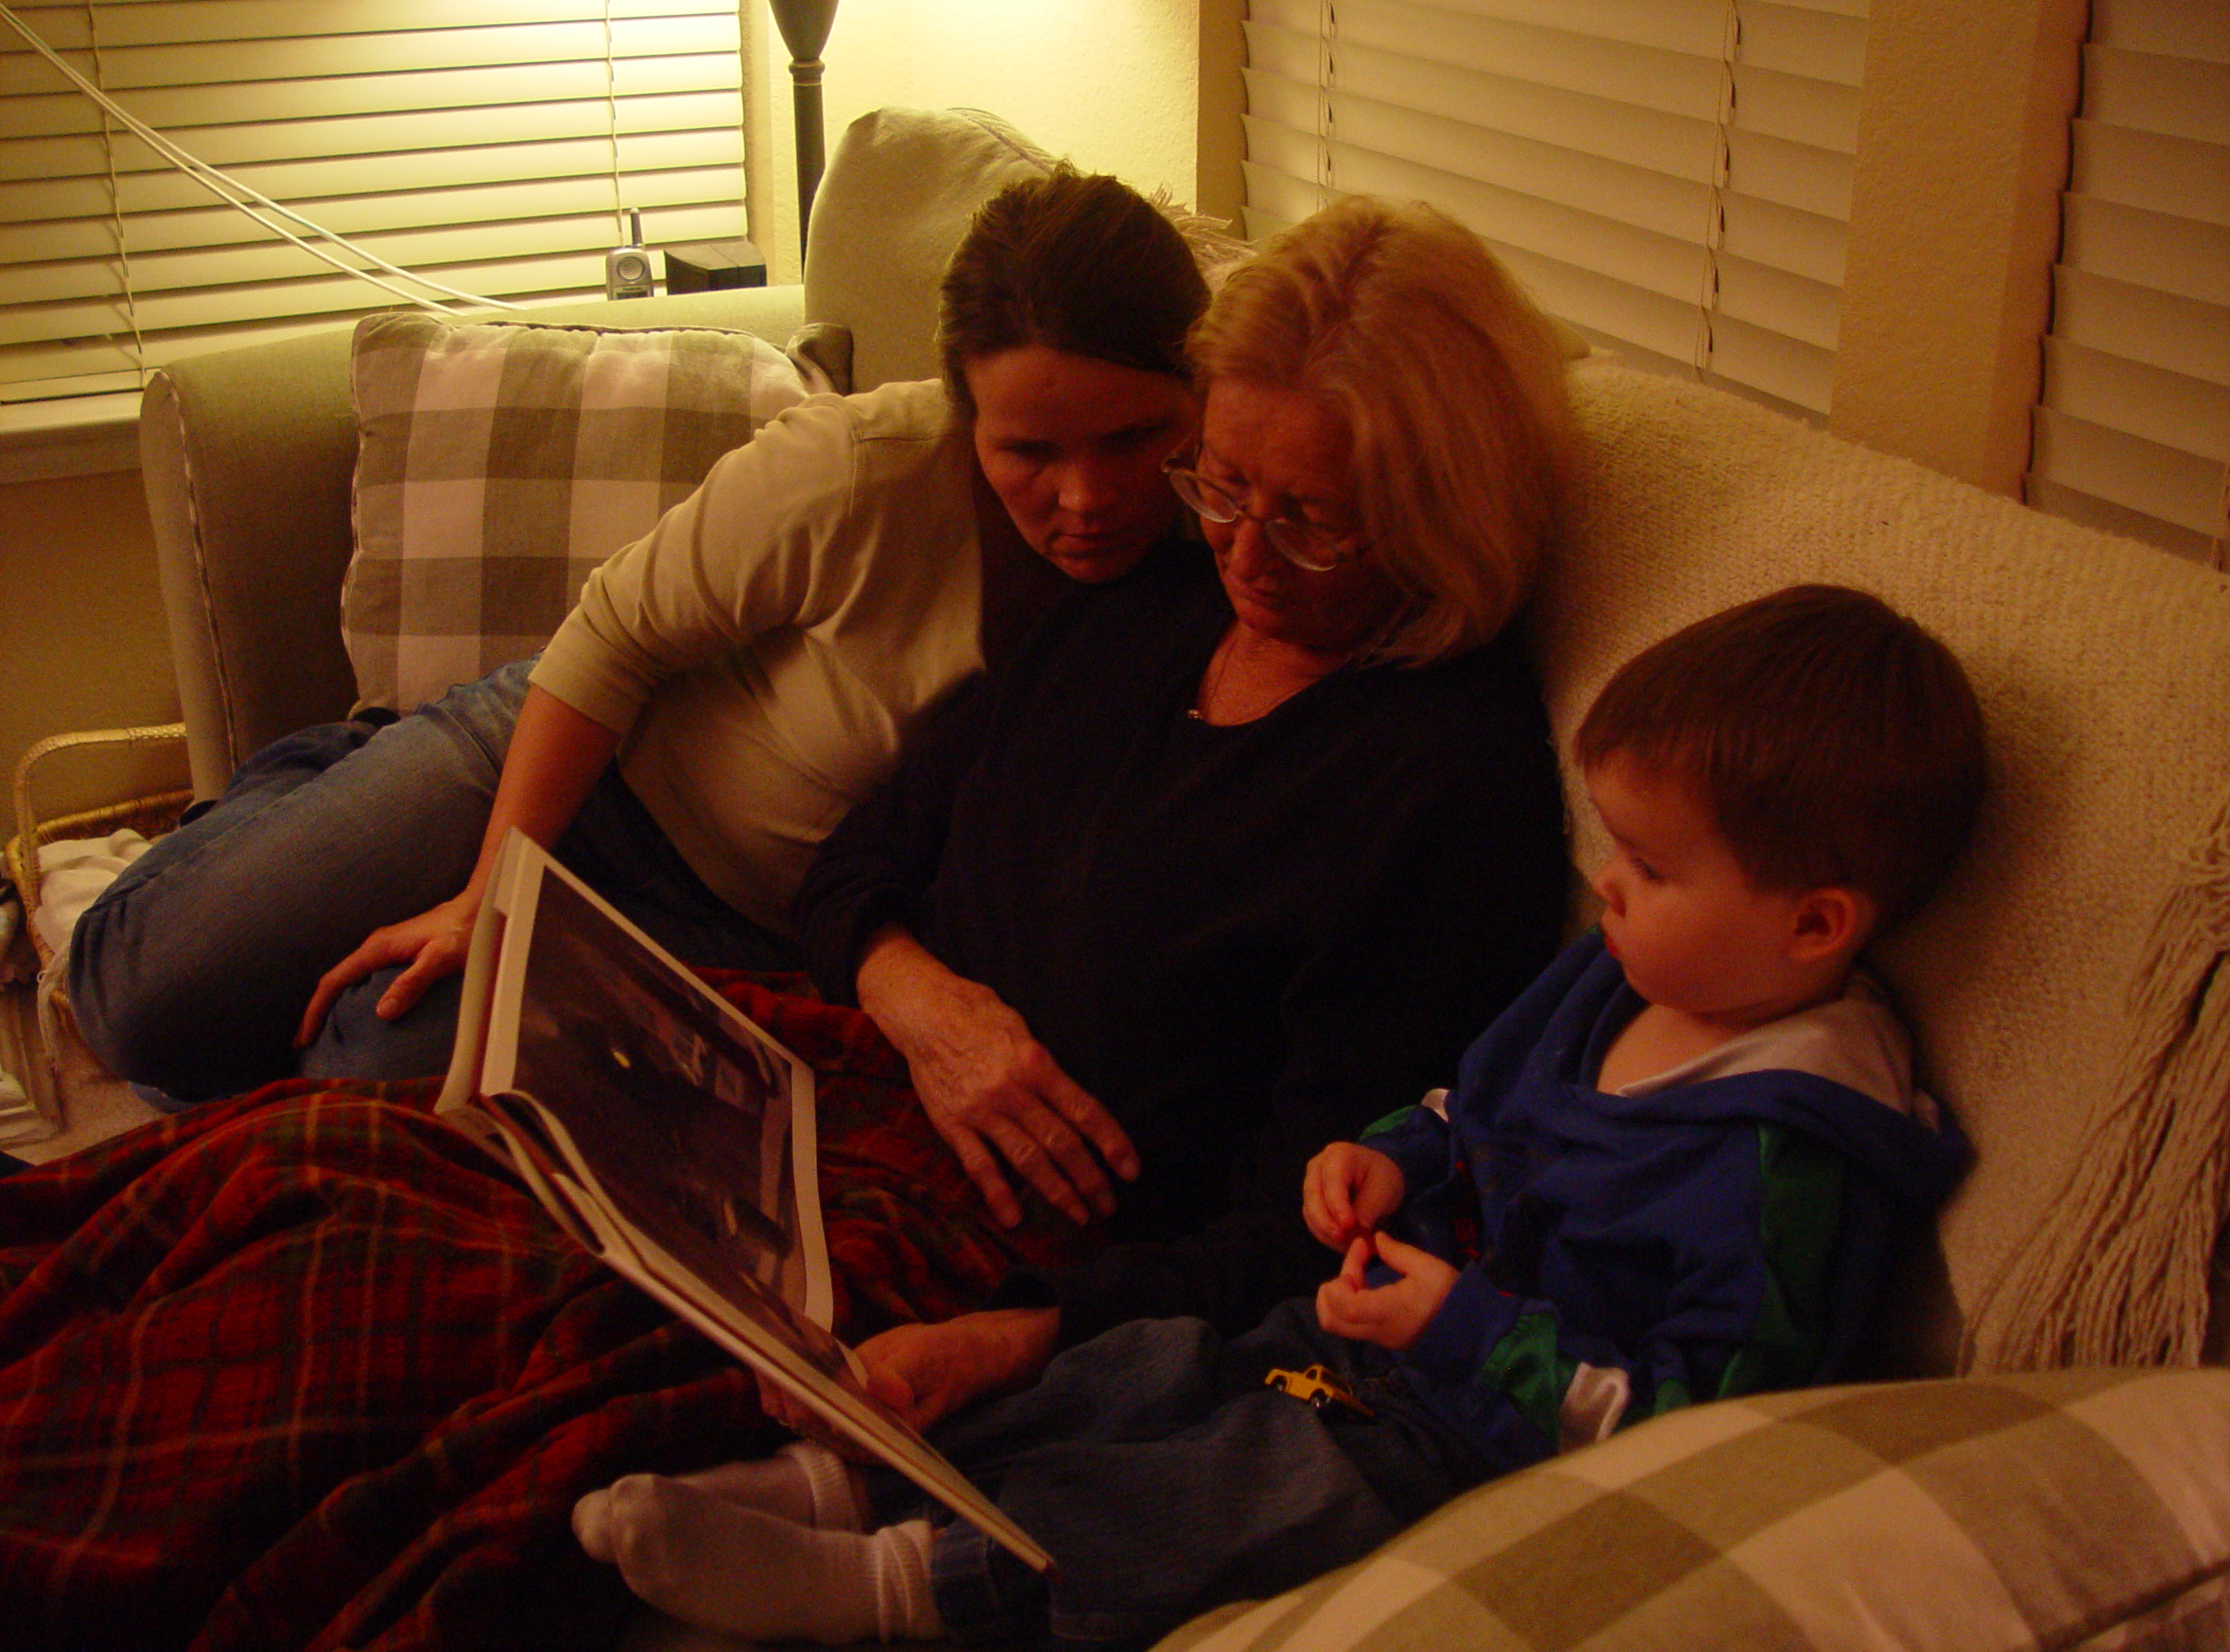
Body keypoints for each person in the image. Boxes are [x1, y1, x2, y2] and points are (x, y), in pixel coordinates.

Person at [0, 192, 1573, 1652]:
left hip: (992, 1228)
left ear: (1438, 510)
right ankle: (328, 781)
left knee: (412, 1301)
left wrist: (1027, 1336)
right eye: (1222, 488)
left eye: (1310, 521)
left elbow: (1296, 1223)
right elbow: (853, 868)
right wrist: (918, 996)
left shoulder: (1444, 785)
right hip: (821, 1064)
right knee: (308, 1151)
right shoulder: (1143, 602)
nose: (1236, 550)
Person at [573, 583, 1987, 1648]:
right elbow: (1461, 1103)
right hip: (1362, 1321)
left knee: (1240, 1486)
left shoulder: (1789, 1165)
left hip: (1463, 1449)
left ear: (1812, 924)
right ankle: (848, 1486)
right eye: (1609, 849)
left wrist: (1464, 1332)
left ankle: (900, 1588)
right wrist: (1380, 1158)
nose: (1606, 886)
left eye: (1652, 867)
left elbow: (1696, 1436)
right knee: (1148, 1372)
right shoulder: (1617, 979)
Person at [67, 168, 1212, 1102]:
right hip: (581, 755)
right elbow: (611, 637)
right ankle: (335, 769)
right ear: (966, 410)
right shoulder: (860, 470)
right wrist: (490, 893)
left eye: (1132, 439)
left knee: (360, 1066)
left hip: (729, 932)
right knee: (142, 1006)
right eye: (1031, 453)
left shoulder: (1214, 575)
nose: (1089, 497)